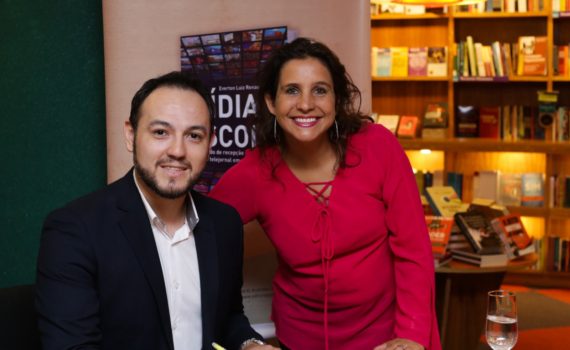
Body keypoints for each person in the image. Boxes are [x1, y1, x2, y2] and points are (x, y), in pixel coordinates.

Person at [209, 38, 441, 350]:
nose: (306, 104)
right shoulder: (255, 172)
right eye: (292, 90)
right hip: (299, 340)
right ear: (270, 102)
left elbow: (414, 253)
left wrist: (411, 336)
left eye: (320, 90)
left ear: (337, 99)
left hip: (386, 340)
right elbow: (198, 226)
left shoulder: (379, 147)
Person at [35, 71, 278, 350]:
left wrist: (250, 344)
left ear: (210, 143)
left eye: (194, 136)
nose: (177, 150)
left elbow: (227, 318)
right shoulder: (73, 230)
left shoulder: (225, 223)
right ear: (131, 135)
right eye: (161, 132)